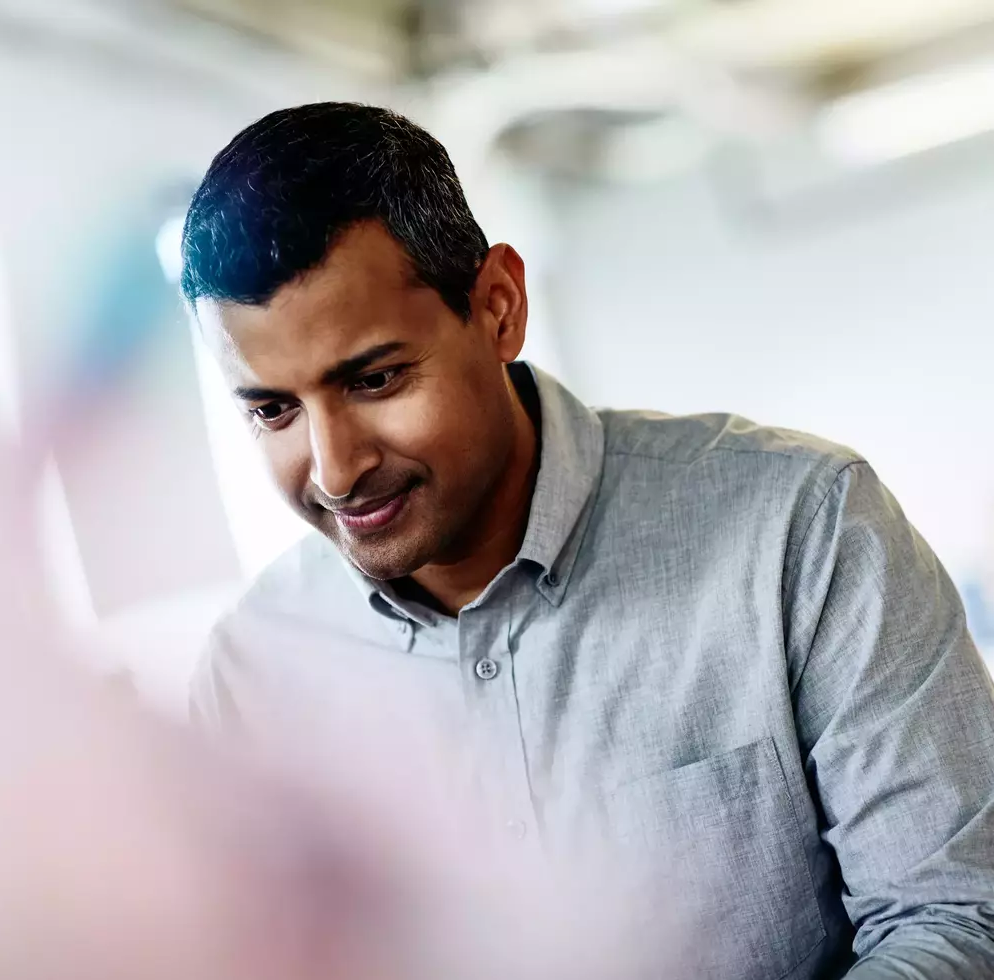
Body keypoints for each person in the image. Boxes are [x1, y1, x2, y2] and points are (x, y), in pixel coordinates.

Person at [182, 102, 994, 979]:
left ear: (497, 307)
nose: (335, 470)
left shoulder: (802, 530)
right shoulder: (250, 679)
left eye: (376, 379)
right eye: (273, 410)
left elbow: (955, 920)